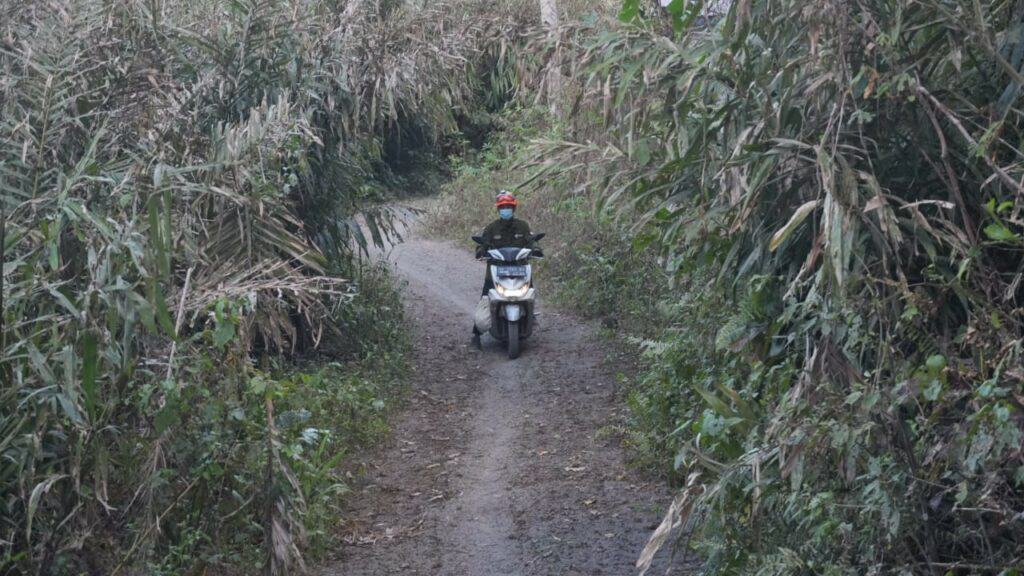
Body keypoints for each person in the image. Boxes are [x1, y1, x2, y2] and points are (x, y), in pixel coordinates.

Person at [471, 190, 534, 349]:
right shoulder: (491, 228)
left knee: (530, 293)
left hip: (520, 270)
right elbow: (482, 244)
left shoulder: (523, 226)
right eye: (503, 207)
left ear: (514, 208)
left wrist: (536, 249)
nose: (506, 209)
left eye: (508, 206)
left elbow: (531, 242)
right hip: (495, 272)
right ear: (498, 209)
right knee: (485, 300)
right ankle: (475, 335)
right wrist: (480, 251)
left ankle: (530, 318)